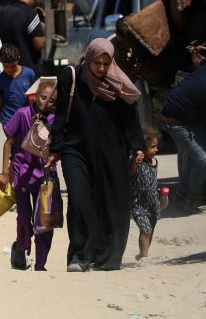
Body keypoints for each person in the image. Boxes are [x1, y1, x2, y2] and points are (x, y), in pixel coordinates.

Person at [46, 38, 144, 272]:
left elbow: (130, 119)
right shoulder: (71, 77)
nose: (101, 68)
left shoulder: (119, 83)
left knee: (111, 203)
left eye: (105, 63)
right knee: (79, 200)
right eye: (97, 62)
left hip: (112, 152)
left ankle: (106, 256)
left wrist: (137, 146)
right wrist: (56, 149)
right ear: (88, 59)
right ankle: (79, 256)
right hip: (75, 149)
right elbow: (60, 116)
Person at [161, 49, 206, 210]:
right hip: (176, 121)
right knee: (203, 161)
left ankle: (184, 194)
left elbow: (198, 60)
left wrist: (195, 51)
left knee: (194, 158)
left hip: (189, 117)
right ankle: (192, 198)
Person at [0, 80, 57, 271]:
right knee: (23, 219)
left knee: (44, 222)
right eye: (43, 97)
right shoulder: (22, 114)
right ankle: (20, 246)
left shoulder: (55, 119)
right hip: (21, 174)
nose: (47, 103)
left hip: (46, 177)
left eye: (52, 100)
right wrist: (5, 172)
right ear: (35, 96)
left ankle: (40, 265)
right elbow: (8, 143)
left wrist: (41, 128)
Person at [0, 44, 36, 144]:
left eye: (13, 66)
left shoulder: (29, 74)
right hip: (9, 120)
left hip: (27, 119)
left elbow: (35, 97)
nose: (10, 69)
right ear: (1, 62)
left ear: (18, 59)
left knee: (28, 150)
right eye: (6, 66)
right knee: (15, 150)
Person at [0, 0, 45, 76]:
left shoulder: (4, 12)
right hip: (28, 72)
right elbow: (38, 44)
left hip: (9, 70)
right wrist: (43, 28)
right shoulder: (30, 13)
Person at [129, 130, 161, 264]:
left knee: (150, 231)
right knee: (145, 229)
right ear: (142, 148)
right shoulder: (137, 163)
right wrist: (134, 160)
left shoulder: (154, 162)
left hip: (153, 204)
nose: (156, 149)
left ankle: (143, 253)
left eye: (156, 146)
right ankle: (144, 257)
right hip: (139, 205)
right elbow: (131, 171)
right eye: (152, 146)